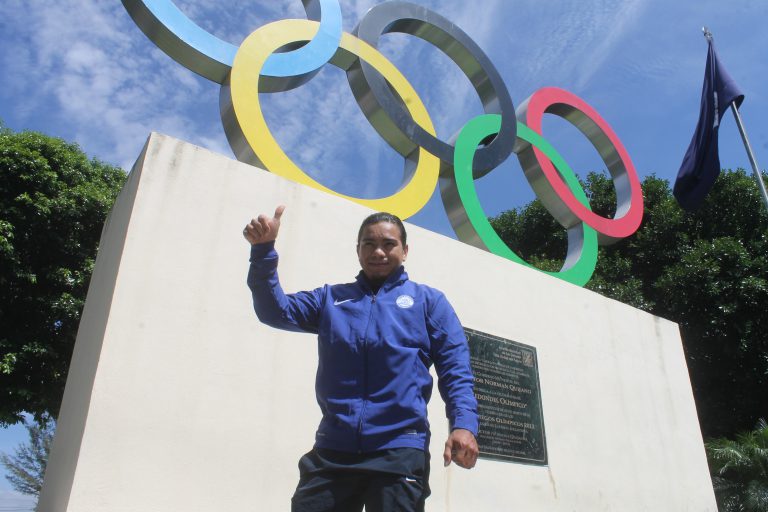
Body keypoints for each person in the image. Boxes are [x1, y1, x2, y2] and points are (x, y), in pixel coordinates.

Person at [243, 206, 478, 512]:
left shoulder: (429, 303)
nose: (378, 251)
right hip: (333, 449)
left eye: (389, 244)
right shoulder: (331, 299)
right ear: (358, 250)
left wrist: (464, 425)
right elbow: (275, 311)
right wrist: (263, 251)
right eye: (369, 244)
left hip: (399, 450)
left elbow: (455, 370)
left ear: (405, 251)